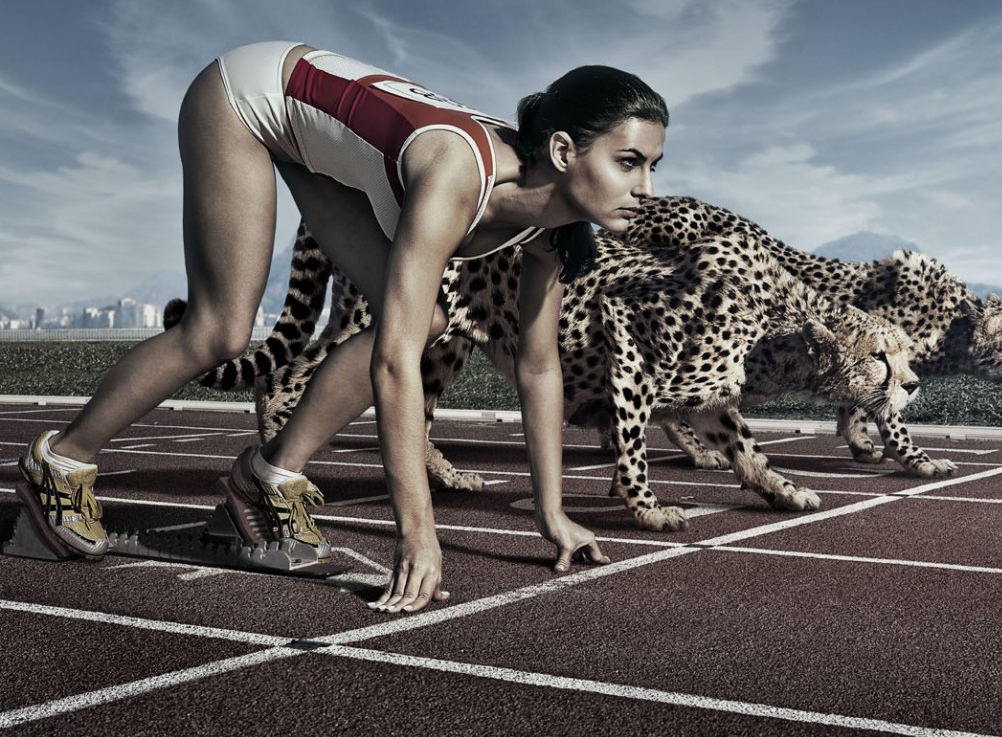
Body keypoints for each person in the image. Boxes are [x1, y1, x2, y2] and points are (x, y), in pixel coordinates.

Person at [16, 41, 669, 613]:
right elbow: (395, 363)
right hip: (249, 96)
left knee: (428, 317)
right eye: (629, 162)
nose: (645, 188)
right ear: (562, 150)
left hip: (312, 132)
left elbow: (538, 365)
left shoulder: (553, 230)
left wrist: (553, 515)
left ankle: (265, 482)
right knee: (219, 329)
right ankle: (60, 463)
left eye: (652, 167)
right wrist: (417, 536)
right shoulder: (458, 174)